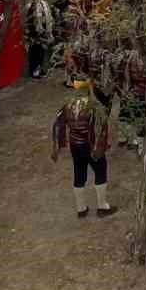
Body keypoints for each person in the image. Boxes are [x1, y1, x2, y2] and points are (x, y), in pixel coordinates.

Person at [52, 75, 115, 218]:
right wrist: (104, 144)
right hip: (90, 145)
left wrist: (57, 145)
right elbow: (102, 126)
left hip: (75, 145)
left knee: (79, 173)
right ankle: (102, 206)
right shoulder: (93, 105)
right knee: (100, 171)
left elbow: (58, 124)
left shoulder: (68, 104)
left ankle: (81, 209)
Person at [26, 0, 54, 79]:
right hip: (35, 33)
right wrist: (37, 31)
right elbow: (30, 21)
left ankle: (41, 69)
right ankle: (34, 71)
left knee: (42, 52)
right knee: (35, 52)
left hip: (45, 31)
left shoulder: (44, 4)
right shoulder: (31, 6)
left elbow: (49, 17)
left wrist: (49, 30)